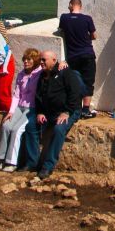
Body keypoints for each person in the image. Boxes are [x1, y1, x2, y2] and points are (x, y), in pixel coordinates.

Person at [25, 50, 84, 179]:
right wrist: (40, 111)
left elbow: (75, 93)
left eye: (44, 60)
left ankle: (48, 166)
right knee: (30, 126)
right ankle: (32, 162)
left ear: (54, 60)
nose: (41, 62)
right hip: (49, 112)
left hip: (69, 111)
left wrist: (66, 112)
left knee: (58, 129)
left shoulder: (66, 73)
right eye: (40, 60)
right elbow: (39, 96)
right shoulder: (42, 75)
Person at [0, 48, 42, 172]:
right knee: (6, 126)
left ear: (35, 61)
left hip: (31, 108)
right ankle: (2, 158)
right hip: (19, 106)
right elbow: (16, 95)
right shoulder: (21, 74)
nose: (26, 62)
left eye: (29, 59)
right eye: (24, 59)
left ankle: (12, 161)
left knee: (17, 130)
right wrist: (11, 111)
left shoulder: (39, 74)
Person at [58, 0, 97, 118]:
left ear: (71, 5)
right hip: (87, 54)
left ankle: (76, 108)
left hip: (72, 56)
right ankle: (86, 110)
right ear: (80, 6)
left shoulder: (64, 17)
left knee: (74, 82)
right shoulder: (87, 19)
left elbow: (61, 30)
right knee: (88, 82)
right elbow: (94, 36)